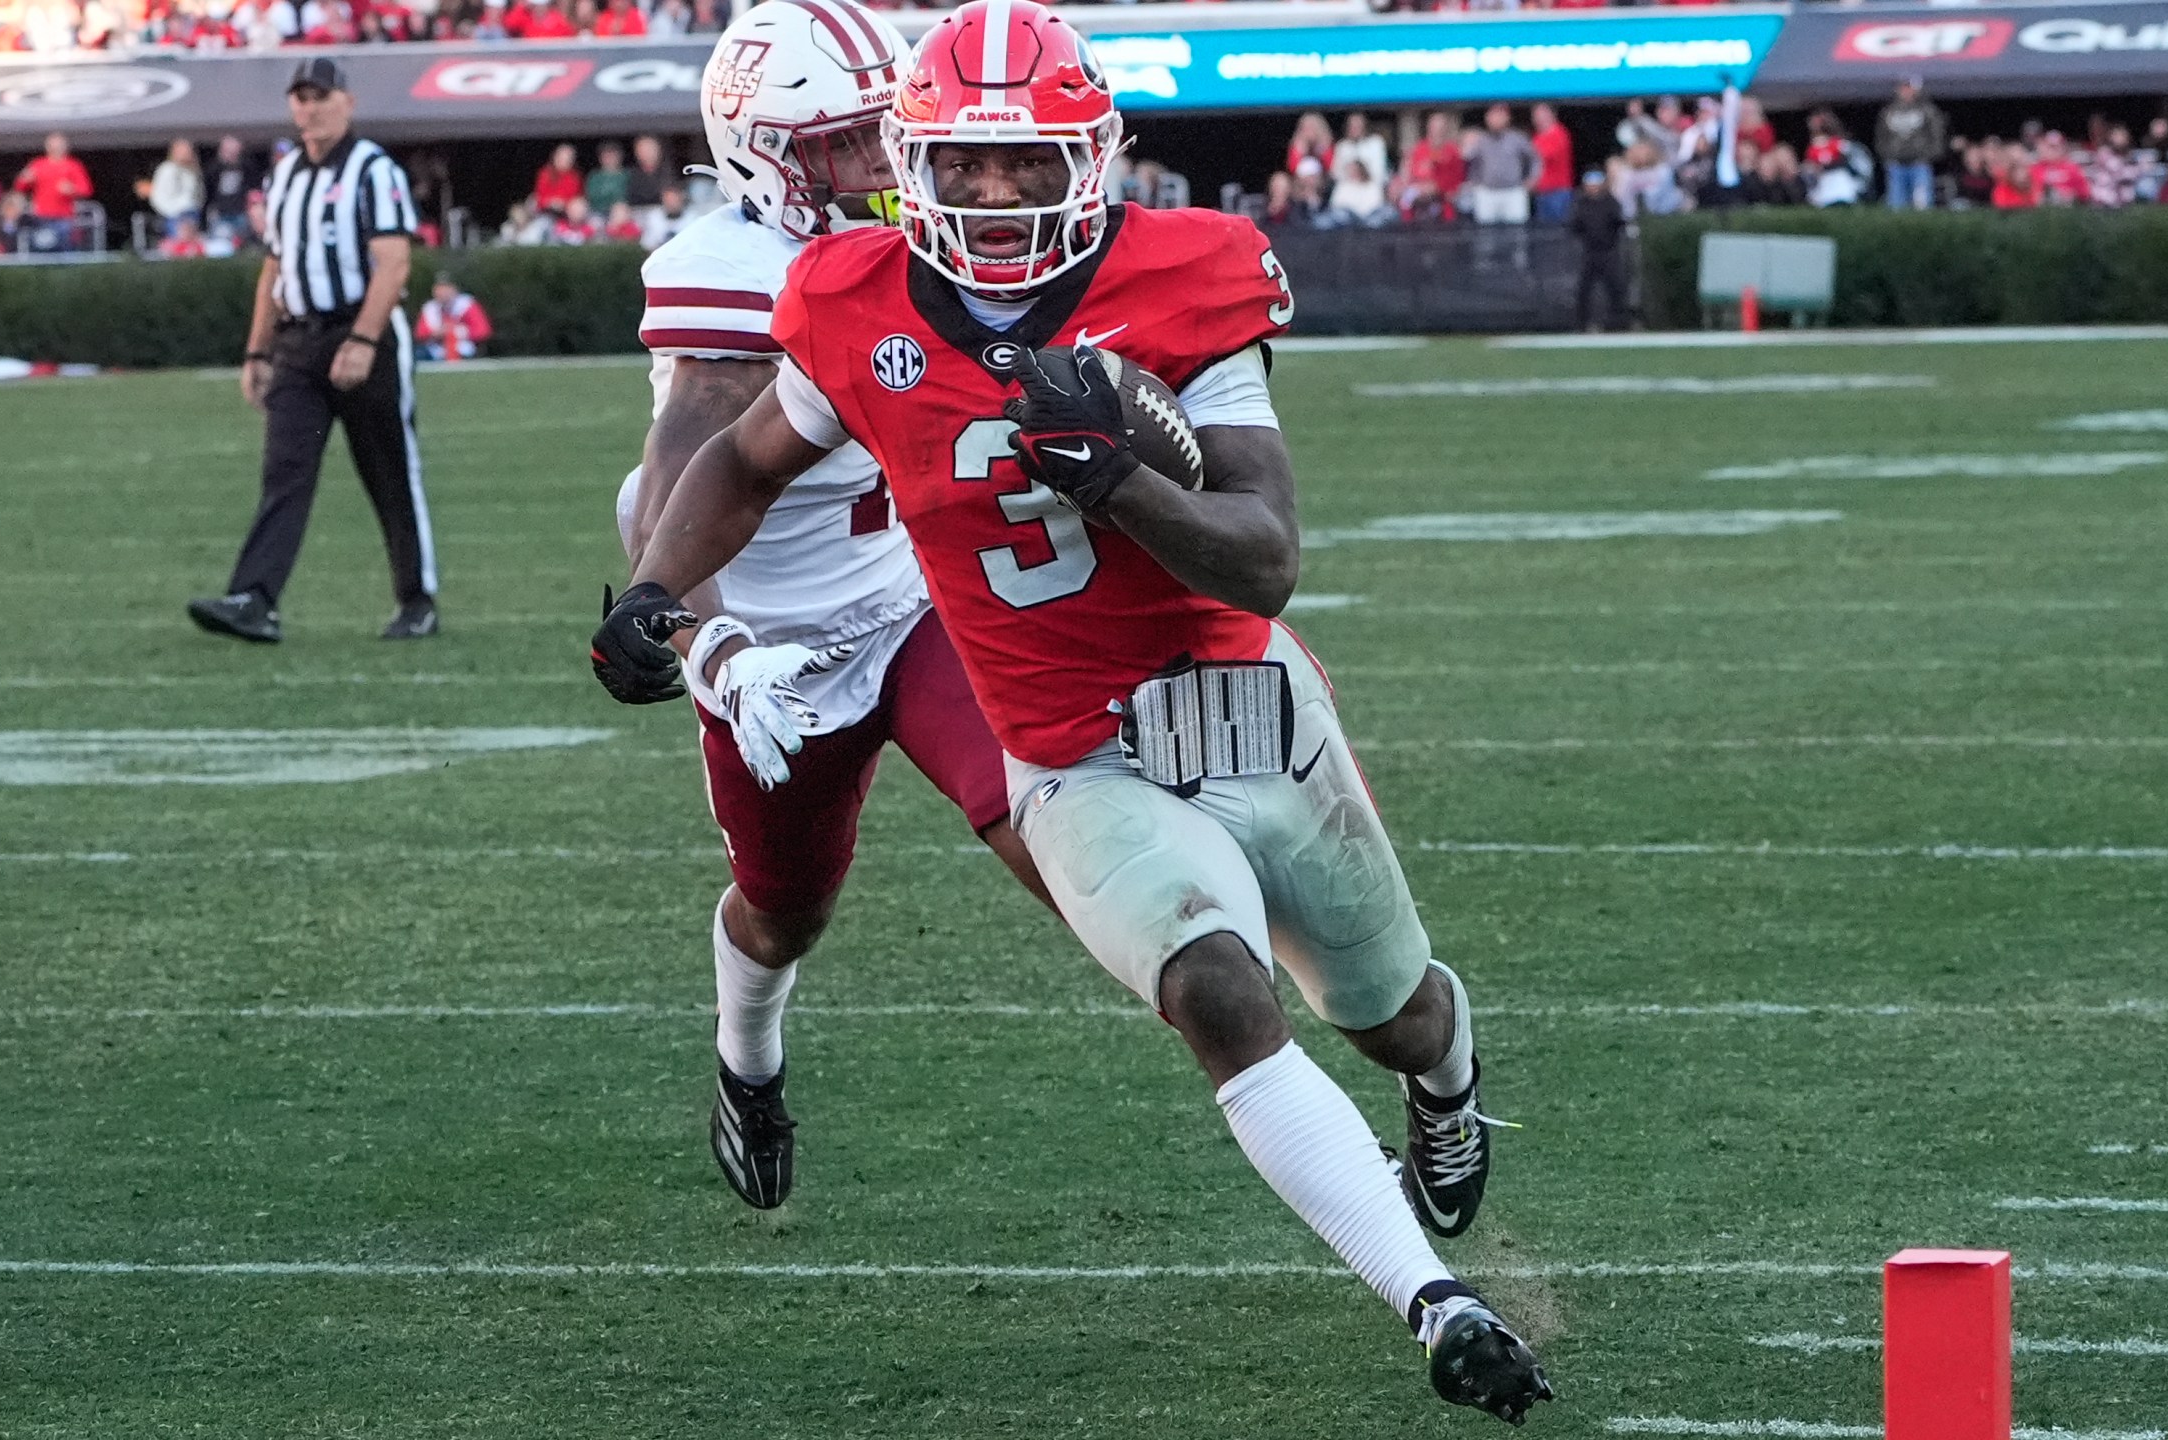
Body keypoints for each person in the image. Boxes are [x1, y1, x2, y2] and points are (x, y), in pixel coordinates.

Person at [606, 2, 1552, 1422]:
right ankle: (1436, 1301)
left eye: (1028, 164)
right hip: (1061, 743)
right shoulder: (845, 293)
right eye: (965, 164)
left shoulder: (1193, 275)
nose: (993, 195)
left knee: (1394, 1014)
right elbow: (732, 457)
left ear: (1092, 159)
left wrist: (1122, 478)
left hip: (1239, 703)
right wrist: (656, 597)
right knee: (1211, 989)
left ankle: (1447, 1079)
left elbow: (1269, 555)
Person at [603, 0, 1049, 1210]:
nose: (883, 165)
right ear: (771, 159)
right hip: (777, 653)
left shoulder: (924, 236)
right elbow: (678, 480)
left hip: (916, 606)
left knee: (1056, 835)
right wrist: (706, 642)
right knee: (784, 910)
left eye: (883, 133)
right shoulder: (732, 277)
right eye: (848, 145)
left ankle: (1250, 1038)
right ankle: (748, 1068)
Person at [189, 57, 436, 644]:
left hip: (360, 332)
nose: (308, 107)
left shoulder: (373, 169)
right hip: (298, 341)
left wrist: (363, 339)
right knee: (285, 471)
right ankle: (254, 599)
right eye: (299, 97)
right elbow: (273, 268)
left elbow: (394, 263)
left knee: (389, 471)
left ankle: (416, 598)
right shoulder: (284, 176)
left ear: (346, 102)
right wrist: (256, 352)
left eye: (319, 95)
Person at [11, 131, 92, 251]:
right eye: (52, 144)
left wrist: (71, 189)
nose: (55, 147)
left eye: (59, 144)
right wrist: (24, 178)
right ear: (47, 146)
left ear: (65, 146)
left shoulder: (73, 165)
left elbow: (86, 190)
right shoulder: (38, 164)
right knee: (41, 249)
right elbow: (19, 187)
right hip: (41, 217)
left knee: (65, 250)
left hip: (64, 217)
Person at [1567, 168, 1625, 332]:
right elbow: (1575, 227)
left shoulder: (1611, 203)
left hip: (1609, 251)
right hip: (1589, 252)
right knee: (1583, 290)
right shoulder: (1580, 204)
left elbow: (1618, 223)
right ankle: (1581, 324)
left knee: (1615, 288)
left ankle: (1618, 324)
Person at [1875, 76, 1944, 211]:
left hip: (1920, 163)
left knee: (1922, 204)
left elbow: (1937, 134)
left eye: (1909, 87)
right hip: (1896, 164)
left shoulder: (1928, 110)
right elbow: (1881, 136)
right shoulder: (1888, 112)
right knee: (1896, 205)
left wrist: (1930, 155)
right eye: (1903, 87)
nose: (1906, 91)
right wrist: (1887, 154)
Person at [1464, 102, 1537, 224]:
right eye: (1492, 115)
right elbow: (1470, 162)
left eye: (1499, 115)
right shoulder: (1480, 141)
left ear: (1507, 117)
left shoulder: (1517, 139)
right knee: (1486, 236)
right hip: (1487, 193)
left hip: (1513, 193)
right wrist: (1474, 183)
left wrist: (1532, 180)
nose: (1496, 119)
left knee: (1516, 234)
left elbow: (1534, 159)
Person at [413, 272, 491, 361]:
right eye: (439, 288)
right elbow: (420, 333)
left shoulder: (467, 304)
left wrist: (458, 331)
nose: (442, 292)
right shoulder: (430, 308)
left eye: (446, 288)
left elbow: (483, 331)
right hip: (435, 349)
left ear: (454, 289)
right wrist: (436, 333)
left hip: (464, 348)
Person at [1529, 102, 1574, 223]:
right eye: (1536, 115)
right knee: (1544, 234)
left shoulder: (1560, 134)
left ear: (1552, 114)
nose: (1538, 118)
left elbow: (1542, 156)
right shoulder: (1537, 137)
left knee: (1559, 230)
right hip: (1541, 194)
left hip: (1557, 193)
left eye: (1542, 114)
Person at [203, 134, 253, 241]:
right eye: (228, 151)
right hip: (221, 213)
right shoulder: (213, 169)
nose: (231, 155)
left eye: (234, 151)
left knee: (242, 241)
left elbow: (251, 187)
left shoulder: (246, 167)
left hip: (240, 212)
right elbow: (208, 190)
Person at [150, 138, 203, 239]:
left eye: (189, 151)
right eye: (184, 151)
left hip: (192, 213)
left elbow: (199, 193)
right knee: (178, 246)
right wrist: (171, 212)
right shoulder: (166, 169)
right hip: (175, 216)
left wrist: (197, 206)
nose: (188, 154)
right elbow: (158, 195)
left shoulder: (193, 171)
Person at [533, 142, 582, 214]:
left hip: (567, 212)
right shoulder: (545, 173)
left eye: (568, 158)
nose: (564, 161)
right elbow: (540, 195)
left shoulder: (575, 176)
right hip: (546, 210)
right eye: (561, 157)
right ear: (555, 157)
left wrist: (563, 203)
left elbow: (575, 196)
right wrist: (551, 202)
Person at [584, 140, 628, 217]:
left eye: (613, 155)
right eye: (606, 155)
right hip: (597, 212)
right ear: (600, 158)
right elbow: (592, 197)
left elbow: (627, 196)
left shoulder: (627, 175)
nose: (610, 158)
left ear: (620, 156)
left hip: (622, 213)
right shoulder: (594, 176)